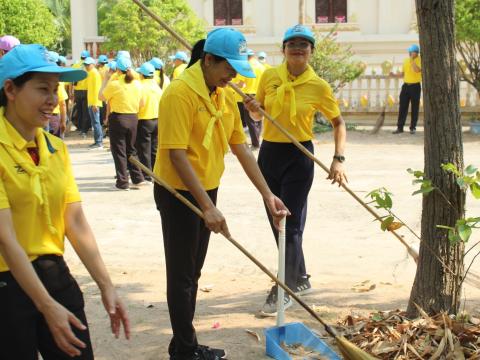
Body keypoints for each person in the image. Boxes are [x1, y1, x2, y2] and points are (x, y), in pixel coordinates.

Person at [153, 28, 288, 360]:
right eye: (229, 68)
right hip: (179, 192)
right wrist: (207, 207)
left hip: (206, 188)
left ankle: (182, 344)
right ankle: (186, 350)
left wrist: (267, 195)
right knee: (182, 275)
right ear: (208, 60)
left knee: (193, 272)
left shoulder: (224, 94)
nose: (233, 76)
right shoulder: (179, 94)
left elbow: (240, 148)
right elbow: (176, 155)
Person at [0, 44, 130, 359]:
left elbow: (74, 221)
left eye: (56, 90)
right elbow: (6, 239)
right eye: (43, 89)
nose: (53, 100)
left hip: (53, 272)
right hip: (7, 285)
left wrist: (106, 285)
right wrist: (45, 306)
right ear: (10, 89)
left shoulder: (56, 148)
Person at [248, 24, 348, 316]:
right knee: (277, 221)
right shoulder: (269, 76)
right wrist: (252, 107)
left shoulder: (318, 86)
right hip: (269, 154)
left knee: (287, 223)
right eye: (292, 44)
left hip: (300, 154)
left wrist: (338, 158)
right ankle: (300, 277)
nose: (298, 49)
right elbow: (257, 114)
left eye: (304, 45)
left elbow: (338, 122)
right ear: (283, 49)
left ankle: (285, 287)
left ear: (311, 51)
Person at [99, 56, 146, 190]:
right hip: (133, 118)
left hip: (118, 119)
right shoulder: (137, 84)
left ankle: (123, 182)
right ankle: (138, 179)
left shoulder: (115, 84)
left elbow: (100, 97)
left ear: (117, 71)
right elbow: (142, 104)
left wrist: (106, 79)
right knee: (131, 149)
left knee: (119, 151)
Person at [232, 49, 265, 149]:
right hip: (260, 94)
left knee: (250, 120)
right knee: (259, 119)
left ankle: (255, 144)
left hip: (248, 95)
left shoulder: (246, 66)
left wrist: (230, 85)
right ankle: (257, 141)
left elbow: (241, 84)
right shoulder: (261, 66)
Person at [135, 62, 162, 181]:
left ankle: (147, 175)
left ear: (142, 74)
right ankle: (156, 173)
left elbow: (139, 104)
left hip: (144, 120)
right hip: (157, 120)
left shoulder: (140, 86)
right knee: (154, 148)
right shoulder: (156, 86)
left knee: (144, 149)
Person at [392, 44, 422, 135]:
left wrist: (412, 60)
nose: (411, 53)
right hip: (405, 86)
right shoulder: (405, 61)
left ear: (417, 53)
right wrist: (394, 75)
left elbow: (417, 70)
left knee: (414, 108)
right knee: (402, 107)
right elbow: (403, 74)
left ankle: (413, 128)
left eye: (413, 52)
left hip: (415, 86)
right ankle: (400, 127)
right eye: (410, 52)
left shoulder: (420, 60)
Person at [84, 57, 103, 149]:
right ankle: (97, 141)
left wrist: (95, 103)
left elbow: (97, 89)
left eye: (88, 64)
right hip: (91, 102)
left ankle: (99, 142)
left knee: (96, 122)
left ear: (93, 64)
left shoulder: (94, 73)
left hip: (94, 103)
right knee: (94, 123)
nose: (86, 66)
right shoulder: (90, 73)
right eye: (85, 64)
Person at [72, 50, 90, 137]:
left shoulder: (76, 64)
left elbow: (73, 78)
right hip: (86, 91)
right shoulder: (88, 66)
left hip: (77, 91)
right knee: (85, 111)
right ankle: (84, 129)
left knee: (79, 110)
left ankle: (79, 127)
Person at [97, 55, 109, 127]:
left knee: (102, 109)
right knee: (106, 108)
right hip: (107, 90)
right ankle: (105, 122)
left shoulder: (99, 70)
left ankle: (103, 123)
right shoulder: (108, 68)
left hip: (101, 91)